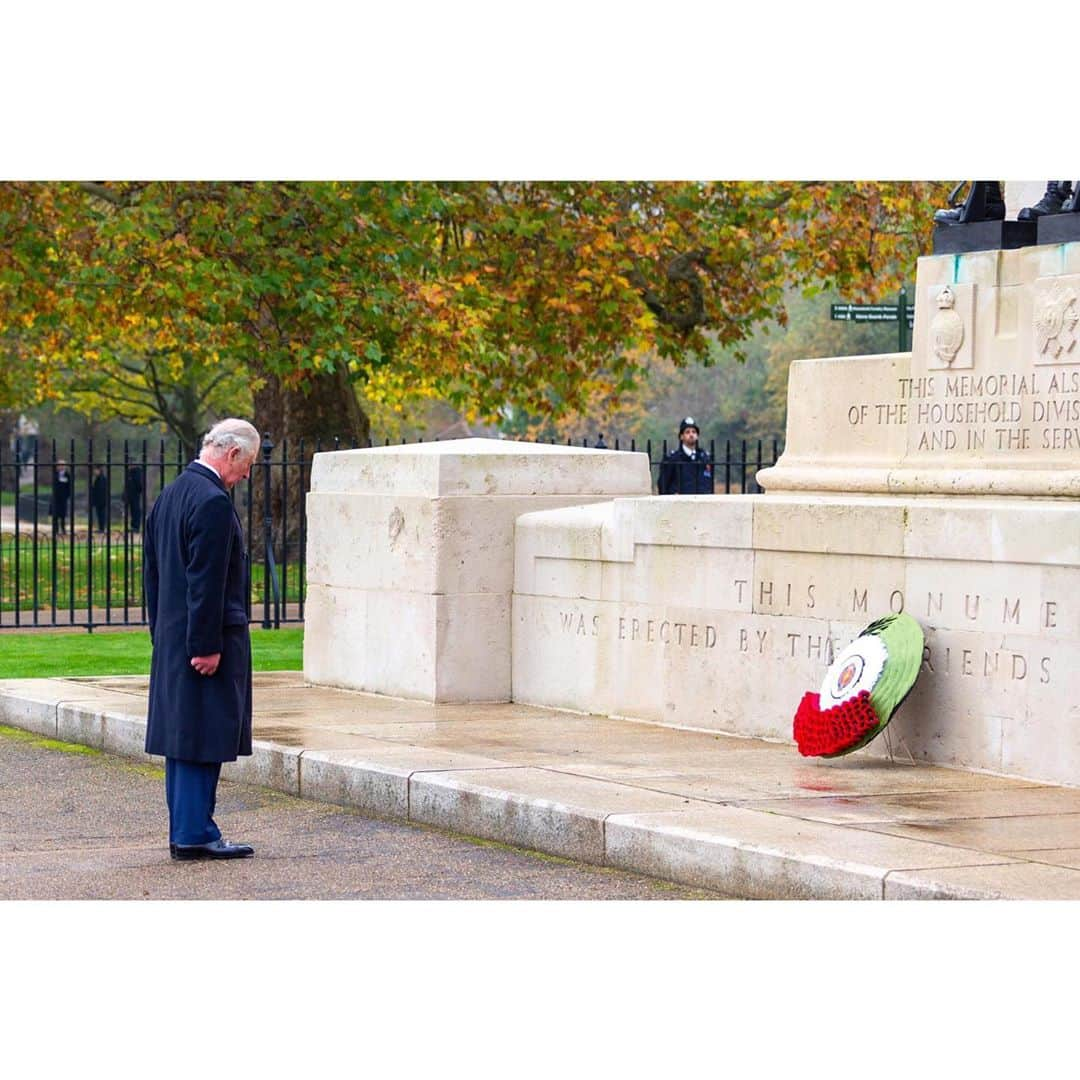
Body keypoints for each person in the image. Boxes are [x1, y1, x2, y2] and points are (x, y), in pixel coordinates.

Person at [143, 418, 260, 861]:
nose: (246, 474)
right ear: (231, 454)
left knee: (184, 736)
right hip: (202, 641)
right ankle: (194, 832)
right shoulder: (212, 501)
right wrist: (205, 645)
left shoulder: (171, 494)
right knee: (201, 735)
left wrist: (167, 636)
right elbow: (205, 582)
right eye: (247, 464)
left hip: (175, 638)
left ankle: (189, 829)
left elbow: (153, 575)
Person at [657, 416, 714, 495]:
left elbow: (709, 484)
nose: (691, 435)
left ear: (697, 435)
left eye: (694, 432)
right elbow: (663, 485)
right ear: (681, 436)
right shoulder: (672, 459)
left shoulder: (704, 458)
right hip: (680, 505)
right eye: (687, 432)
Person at [51, 460, 72, 534]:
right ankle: (55, 530)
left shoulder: (68, 475)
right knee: (55, 515)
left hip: (63, 498)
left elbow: (69, 487)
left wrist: (67, 496)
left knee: (63, 515)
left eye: (62, 465)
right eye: (59, 465)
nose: (61, 466)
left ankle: (63, 530)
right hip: (55, 498)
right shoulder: (55, 474)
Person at [125, 465, 143, 532]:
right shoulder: (129, 472)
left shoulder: (137, 472)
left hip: (135, 494)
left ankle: (136, 527)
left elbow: (139, 483)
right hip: (130, 494)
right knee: (132, 511)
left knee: (136, 510)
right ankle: (133, 526)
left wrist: (139, 490)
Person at [91, 466, 108, 533]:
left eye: (95, 470)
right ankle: (101, 528)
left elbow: (101, 490)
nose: (94, 472)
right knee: (99, 515)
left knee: (102, 515)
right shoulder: (98, 478)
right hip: (99, 500)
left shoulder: (101, 478)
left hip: (101, 500)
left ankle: (102, 528)